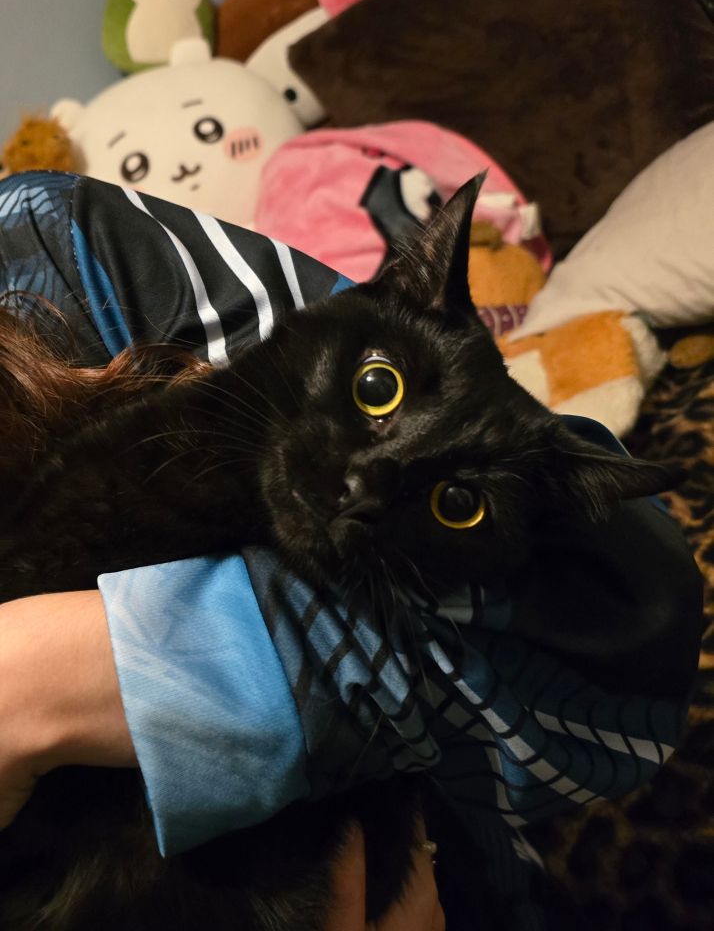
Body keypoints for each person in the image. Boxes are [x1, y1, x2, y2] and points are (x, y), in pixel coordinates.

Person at [0, 171, 704, 930]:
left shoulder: (50, 241)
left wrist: (58, 678)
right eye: (375, 392)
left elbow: (638, 613)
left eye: (457, 503)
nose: (366, 487)